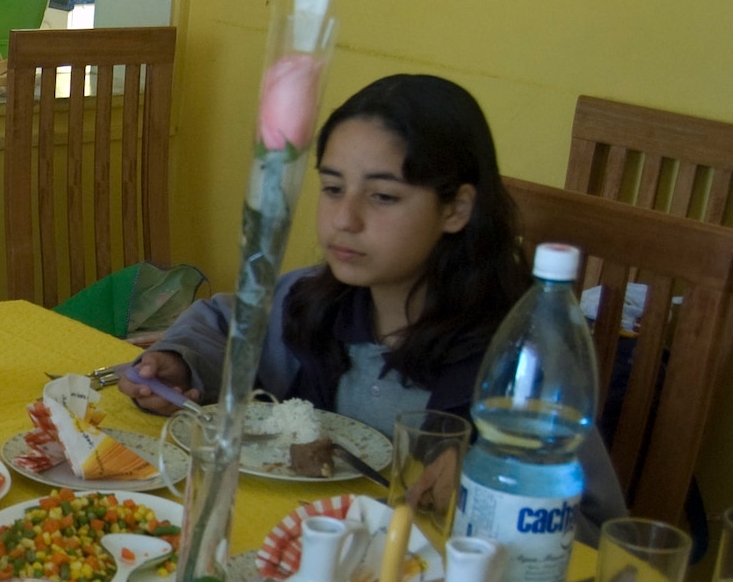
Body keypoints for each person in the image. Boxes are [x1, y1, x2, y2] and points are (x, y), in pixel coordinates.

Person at [122, 73, 623, 523]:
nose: (346, 219)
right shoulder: (316, 300)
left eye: (383, 196)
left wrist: (484, 491)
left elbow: (598, 532)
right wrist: (181, 363)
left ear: (456, 209)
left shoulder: (519, 361)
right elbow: (225, 323)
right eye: (334, 188)